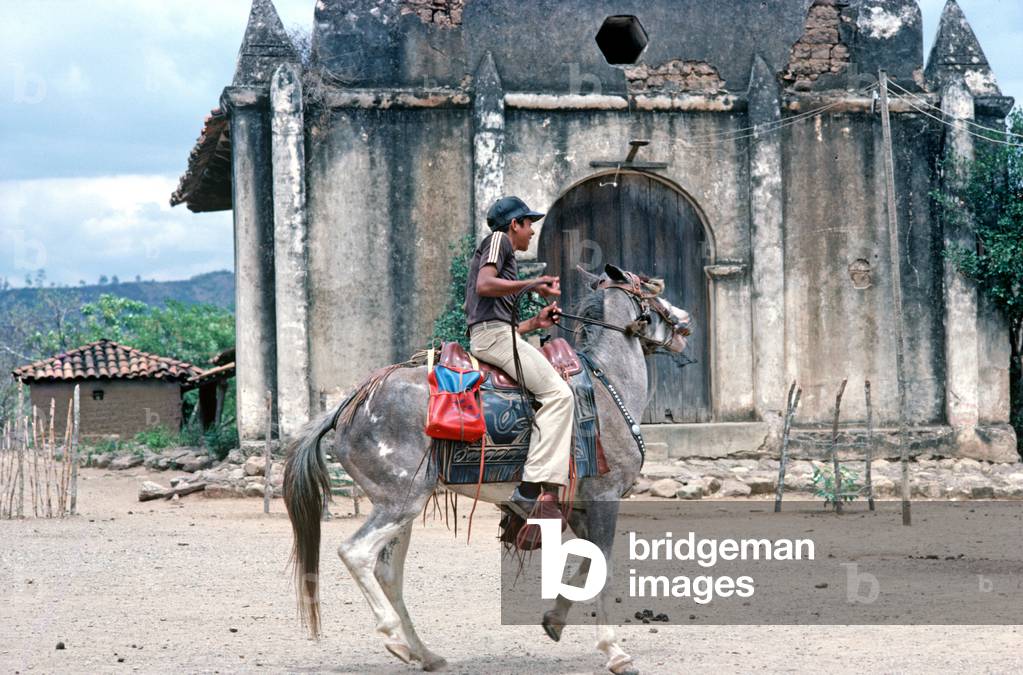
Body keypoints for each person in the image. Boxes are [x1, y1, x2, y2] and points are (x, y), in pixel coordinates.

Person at [465, 196, 573, 518]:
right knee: (559, 394)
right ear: (514, 224)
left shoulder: (501, 248)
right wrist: (534, 283)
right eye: (529, 225)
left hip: (497, 334)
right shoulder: (500, 240)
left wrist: (534, 324)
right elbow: (485, 285)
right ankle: (527, 490)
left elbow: (497, 320)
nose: (532, 232)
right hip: (493, 337)